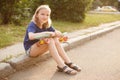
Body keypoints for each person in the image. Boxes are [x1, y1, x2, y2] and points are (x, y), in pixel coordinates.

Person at [23, 5, 81, 75]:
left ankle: (68, 62)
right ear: (37, 14)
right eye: (42, 14)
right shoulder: (33, 24)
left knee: (55, 39)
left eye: (47, 15)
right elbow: (31, 36)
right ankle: (61, 65)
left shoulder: (46, 24)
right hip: (31, 50)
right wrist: (46, 33)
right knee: (50, 39)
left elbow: (55, 33)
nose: (45, 17)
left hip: (40, 47)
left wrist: (60, 35)